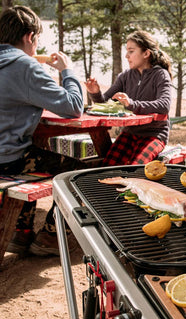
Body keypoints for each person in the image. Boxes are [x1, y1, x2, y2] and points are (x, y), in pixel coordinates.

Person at [0, 6, 87, 256]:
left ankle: (21, 232)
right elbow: (72, 107)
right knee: (81, 174)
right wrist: (67, 71)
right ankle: (49, 236)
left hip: (8, 155)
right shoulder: (25, 66)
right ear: (29, 37)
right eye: (37, 40)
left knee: (33, 153)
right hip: (8, 161)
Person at [85, 30, 172, 166]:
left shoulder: (160, 75)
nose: (126, 56)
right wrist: (95, 93)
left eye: (131, 51)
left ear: (146, 53)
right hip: (129, 133)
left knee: (135, 169)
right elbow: (105, 103)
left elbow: (164, 105)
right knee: (106, 167)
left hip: (154, 134)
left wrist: (131, 104)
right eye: (127, 51)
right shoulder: (125, 76)